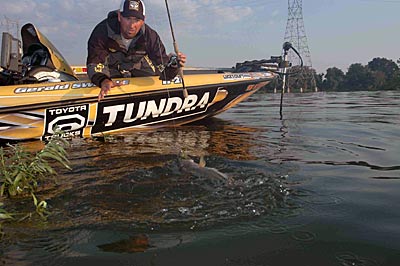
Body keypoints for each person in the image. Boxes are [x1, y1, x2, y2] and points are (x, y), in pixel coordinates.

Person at [86, 0, 187, 101]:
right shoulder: (102, 31)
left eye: (137, 20)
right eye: (128, 18)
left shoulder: (150, 36)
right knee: (103, 80)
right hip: (111, 70)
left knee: (154, 76)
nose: (132, 25)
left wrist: (174, 65)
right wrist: (103, 80)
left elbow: (164, 72)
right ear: (119, 17)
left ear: (143, 20)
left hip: (139, 67)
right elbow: (95, 62)